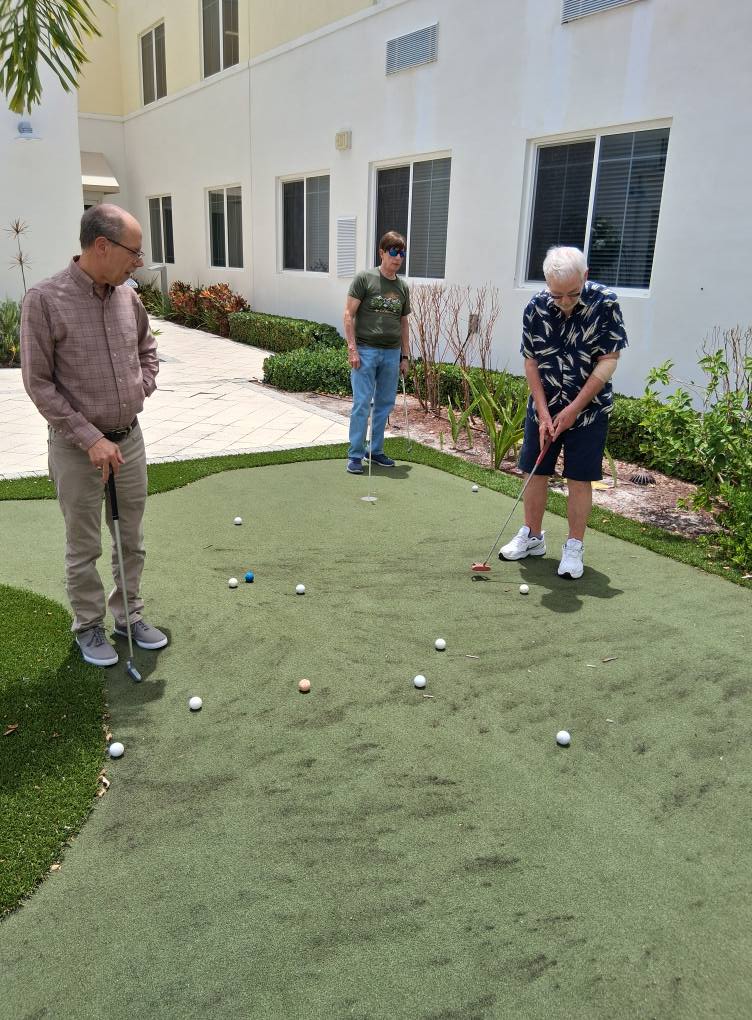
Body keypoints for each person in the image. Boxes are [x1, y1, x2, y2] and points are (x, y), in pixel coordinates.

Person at [21, 204, 167, 666]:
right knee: (84, 545)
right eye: (134, 252)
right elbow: (38, 383)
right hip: (76, 450)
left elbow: (147, 350)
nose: (138, 262)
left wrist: (139, 389)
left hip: (129, 441)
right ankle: (88, 626)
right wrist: (89, 437)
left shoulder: (129, 298)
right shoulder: (44, 300)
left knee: (131, 538)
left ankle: (128, 616)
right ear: (102, 246)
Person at [499, 246, 628, 579]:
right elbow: (531, 362)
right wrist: (543, 414)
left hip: (588, 412)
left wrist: (573, 409)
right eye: (557, 295)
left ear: (585, 276)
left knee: (579, 478)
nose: (566, 301)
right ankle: (532, 536)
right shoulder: (536, 307)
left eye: (573, 293)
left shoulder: (605, 303)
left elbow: (609, 360)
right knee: (534, 470)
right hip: (544, 406)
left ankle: (573, 546)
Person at [343, 231, 411, 474]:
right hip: (365, 351)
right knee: (362, 403)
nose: (398, 257)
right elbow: (348, 315)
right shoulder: (365, 279)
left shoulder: (402, 287)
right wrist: (352, 349)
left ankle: (376, 450)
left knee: (385, 404)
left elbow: (404, 322)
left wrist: (405, 356)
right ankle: (355, 454)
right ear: (382, 252)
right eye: (393, 252)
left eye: (402, 253)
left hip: (391, 354)